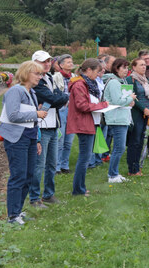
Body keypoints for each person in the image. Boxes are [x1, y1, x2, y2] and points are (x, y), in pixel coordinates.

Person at [0, 61, 49, 224]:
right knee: (18, 176)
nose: (40, 77)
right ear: (26, 73)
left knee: (28, 176)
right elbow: (13, 115)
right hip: (17, 139)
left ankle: (18, 211)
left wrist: (38, 140)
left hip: (30, 138)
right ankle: (12, 216)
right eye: (37, 74)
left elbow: (32, 121)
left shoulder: (31, 92)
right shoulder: (16, 91)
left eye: (41, 74)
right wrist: (36, 114)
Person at [29, 51, 67, 208]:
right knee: (39, 164)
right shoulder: (36, 81)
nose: (47, 63)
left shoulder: (49, 78)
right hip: (41, 127)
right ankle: (34, 198)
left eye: (49, 61)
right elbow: (52, 98)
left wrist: (59, 99)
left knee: (52, 163)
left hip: (53, 125)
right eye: (43, 61)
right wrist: (60, 99)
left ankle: (48, 194)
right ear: (34, 62)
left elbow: (57, 97)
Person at [66, 58, 110, 196]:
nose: (98, 74)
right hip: (83, 123)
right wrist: (102, 105)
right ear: (89, 70)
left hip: (89, 122)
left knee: (85, 157)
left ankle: (80, 187)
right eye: (97, 71)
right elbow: (82, 105)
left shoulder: (87, 83)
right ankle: (78, 190)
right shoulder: (80, 84)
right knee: (84, 158)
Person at [102, 58, 136, 183]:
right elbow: (117, 101)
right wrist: (130, 98)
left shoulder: (120, 81)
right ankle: (112, 175)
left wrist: (130, 102)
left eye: (127, 68)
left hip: (122, 117)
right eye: (124, 68)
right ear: (117, 69)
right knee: (119, 148)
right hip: (116, 118)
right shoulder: (114, 82)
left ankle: (114, 172)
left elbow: (122, 100)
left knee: (119, 147)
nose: (126, 70)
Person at [126, 58, 149, 176]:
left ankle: (137, 167)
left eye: (145, 65)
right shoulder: (130, 80)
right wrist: (143, 109)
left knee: (141, 140)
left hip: (148, 114)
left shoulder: (147, 80)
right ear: (134, 67)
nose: (144, 67)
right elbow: (132, 97)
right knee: (134, 141)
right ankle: (132, 168)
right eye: (141, 65)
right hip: (136, 113)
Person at [55, 54, 75, 174]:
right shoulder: (56, 77)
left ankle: (65, 165)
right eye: (68, 62)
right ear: (61, 65)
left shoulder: (74, 77)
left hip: (72, 110)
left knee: (69, 140)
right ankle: (56, 166)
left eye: (71, 62)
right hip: (61, 109)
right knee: (60, 139)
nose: (71, 64)